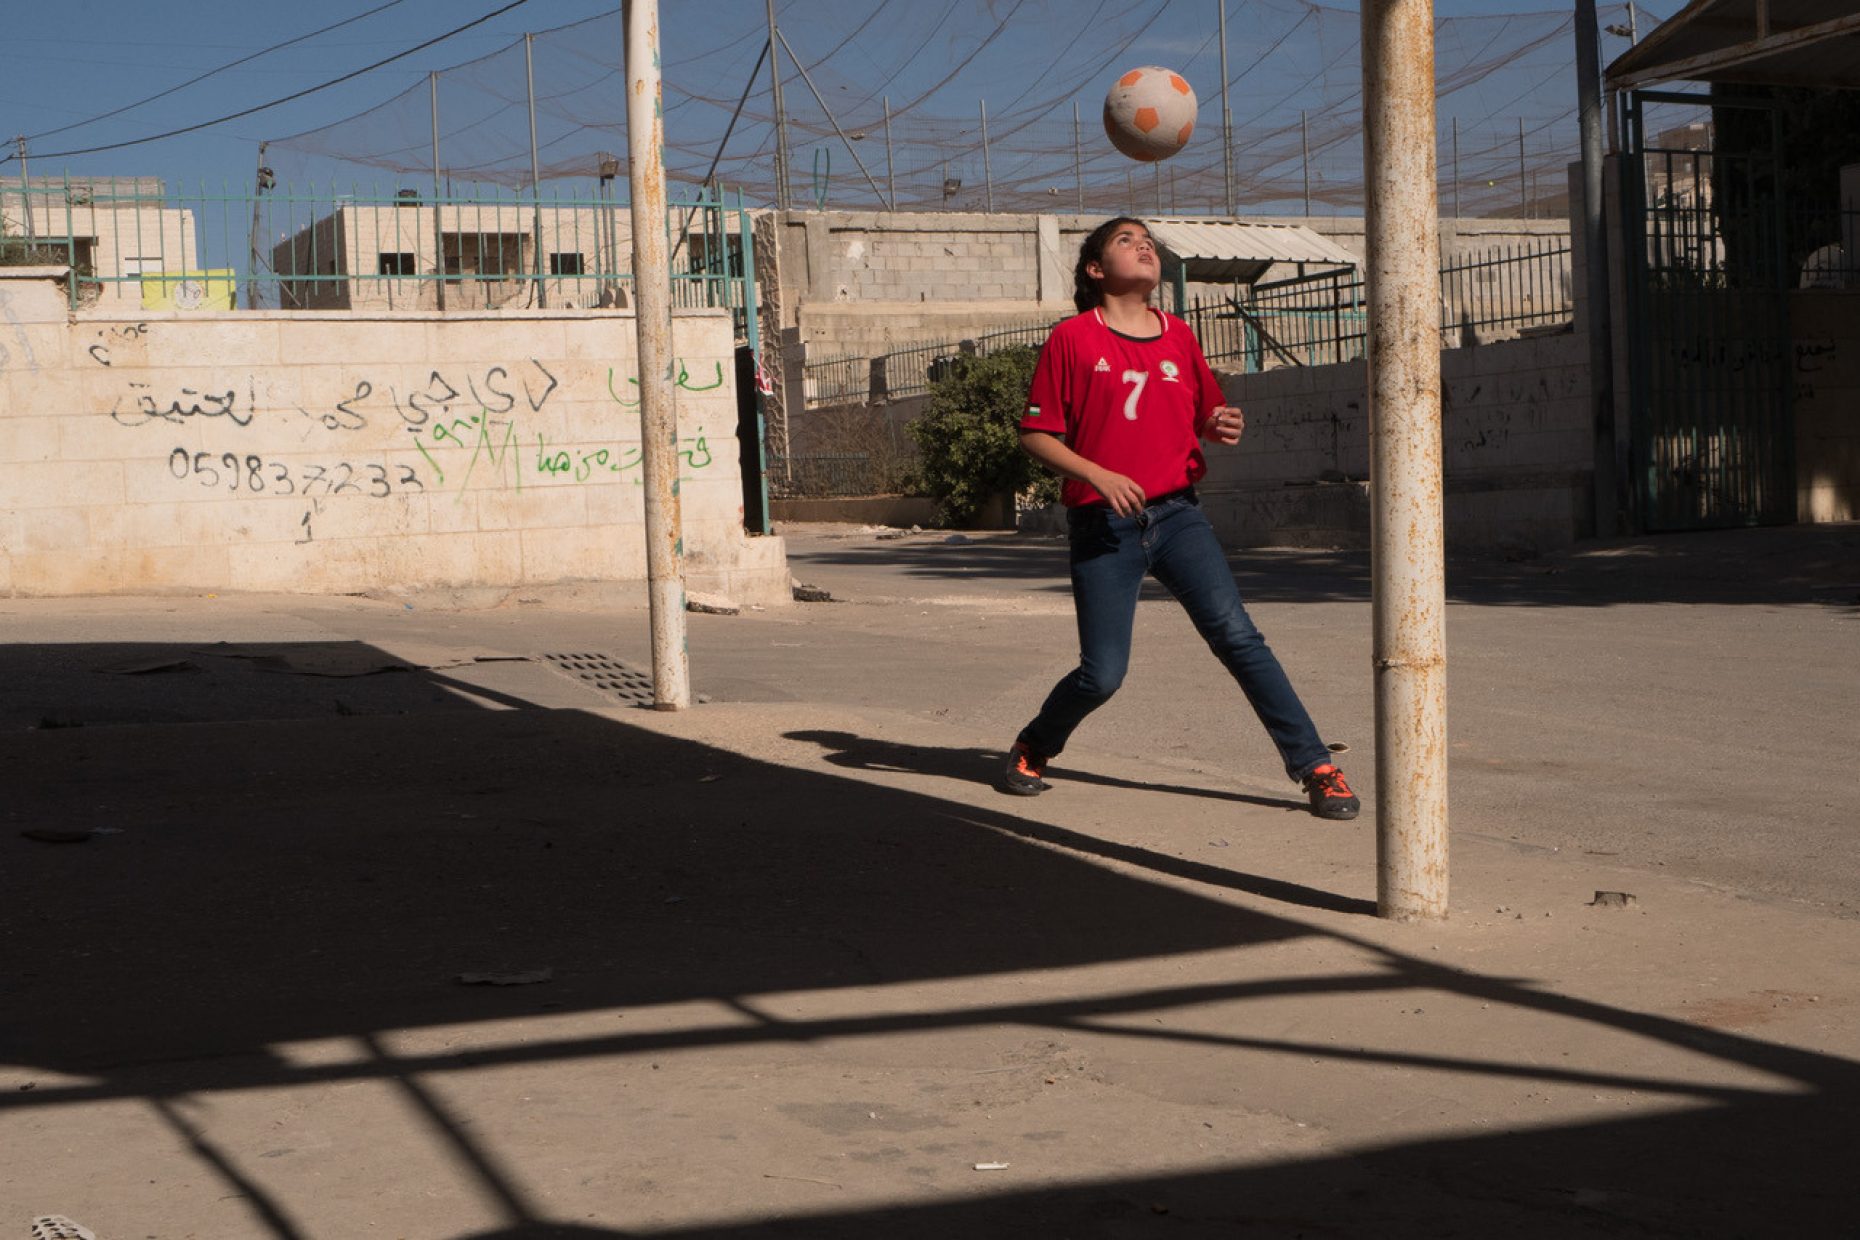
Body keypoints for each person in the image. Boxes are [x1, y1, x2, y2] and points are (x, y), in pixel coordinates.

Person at [999, 216, 1359, 821]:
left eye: (1147, 241)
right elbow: (1036, 435)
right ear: (1095, 270)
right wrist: (1097, 473)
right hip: (1102, 524)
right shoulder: (1074, 339)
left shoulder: (1179, 337)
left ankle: (1316, 766)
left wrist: (1219, 425)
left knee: (1238, 635)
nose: (1143, 247)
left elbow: (1205, 413)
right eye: (1125, 241)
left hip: (1177, 516)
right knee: (1103, 675)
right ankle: (1035, 743)